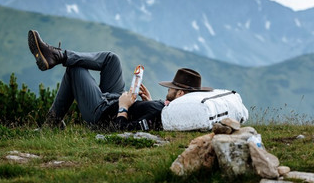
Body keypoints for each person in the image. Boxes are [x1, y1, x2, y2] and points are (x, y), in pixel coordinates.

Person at [28, 30, 213, 130]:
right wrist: (146, 102)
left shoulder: (164, 116)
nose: (169, 90)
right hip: (115, 99)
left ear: (180, 93)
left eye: (172, 88)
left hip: (101, 113)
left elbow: (121, 130)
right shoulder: (167, 109)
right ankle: (58, 56)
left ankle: (51, 123)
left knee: (75, 70)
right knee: (112, 59)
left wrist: (124, 107)